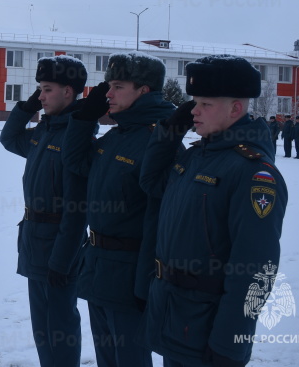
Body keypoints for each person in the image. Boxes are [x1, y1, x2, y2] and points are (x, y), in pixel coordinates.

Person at [139, 55, 288, 366]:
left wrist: (230, 344)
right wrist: (170, 130)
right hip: (175, 318)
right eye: (194, 102)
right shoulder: (197, 156)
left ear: (235, 109)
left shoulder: (253, 173)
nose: (193, 111)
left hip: (208, 332)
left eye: (205, 104)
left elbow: (255, 270)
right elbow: (152, 182)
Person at [62, 52, 174, 367]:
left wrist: (144, 285)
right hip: (99, 269)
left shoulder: (159, 141)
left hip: (129, 278)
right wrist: (85, 119)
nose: (108, 94)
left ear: (144, 91)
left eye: (118, 86)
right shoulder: (117, 135)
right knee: (107, 360)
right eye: (109, 85)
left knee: (130, 360)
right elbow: (76, 162)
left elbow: (158, 222)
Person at [0, 55, 88, 366]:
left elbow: (77, 212)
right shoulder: (43, 132)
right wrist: (28, 108)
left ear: (69, 91)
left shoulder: (75, 137)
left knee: (60, 326)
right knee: (42, 327)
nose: (41, 96)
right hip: (34, 242)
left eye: (47, 89)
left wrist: (62, 261)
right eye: (39, 89)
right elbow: (9, 138)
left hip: (58, 249)